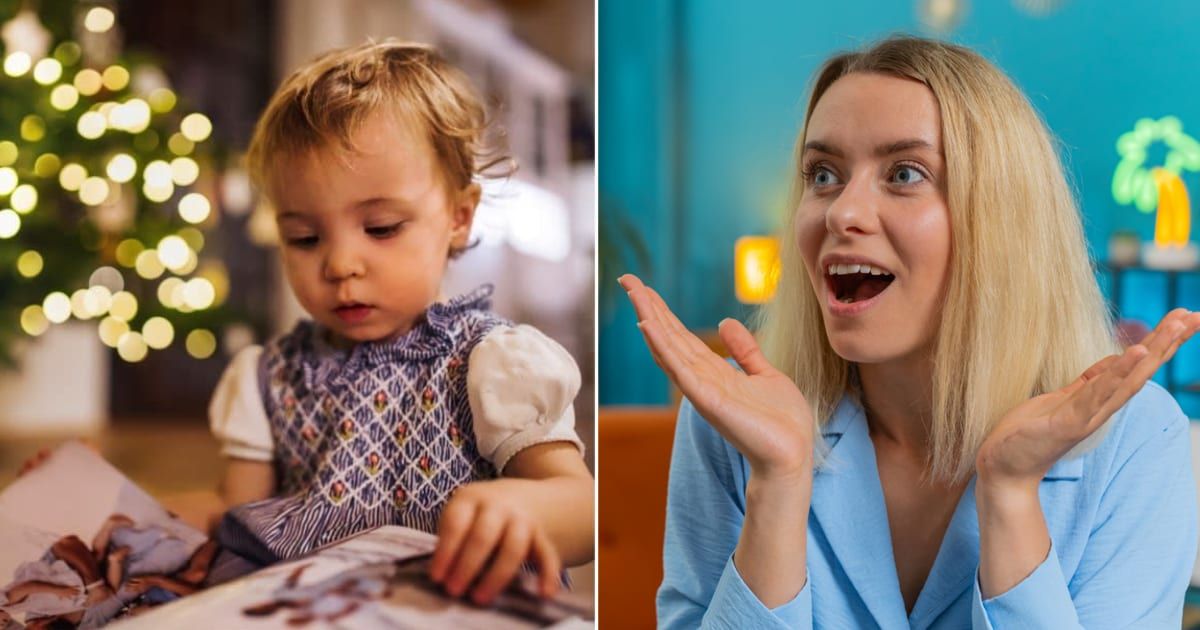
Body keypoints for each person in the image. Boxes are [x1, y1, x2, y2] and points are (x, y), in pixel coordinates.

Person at [620, 36, 1200, 628]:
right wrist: (778, 485)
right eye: (823, 174)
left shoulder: (1136, 439)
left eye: (903, 173)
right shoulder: (735, 420)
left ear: (1002, 219)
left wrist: (1009, 497)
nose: (842, 211)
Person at [207, 40, 593, 605]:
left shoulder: (490, 363)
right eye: (304, 238)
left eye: (382, 228)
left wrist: (527, 508)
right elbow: (234, 513)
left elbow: (584, 511)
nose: (340, 264)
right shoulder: (269, 377)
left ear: (458, 217)